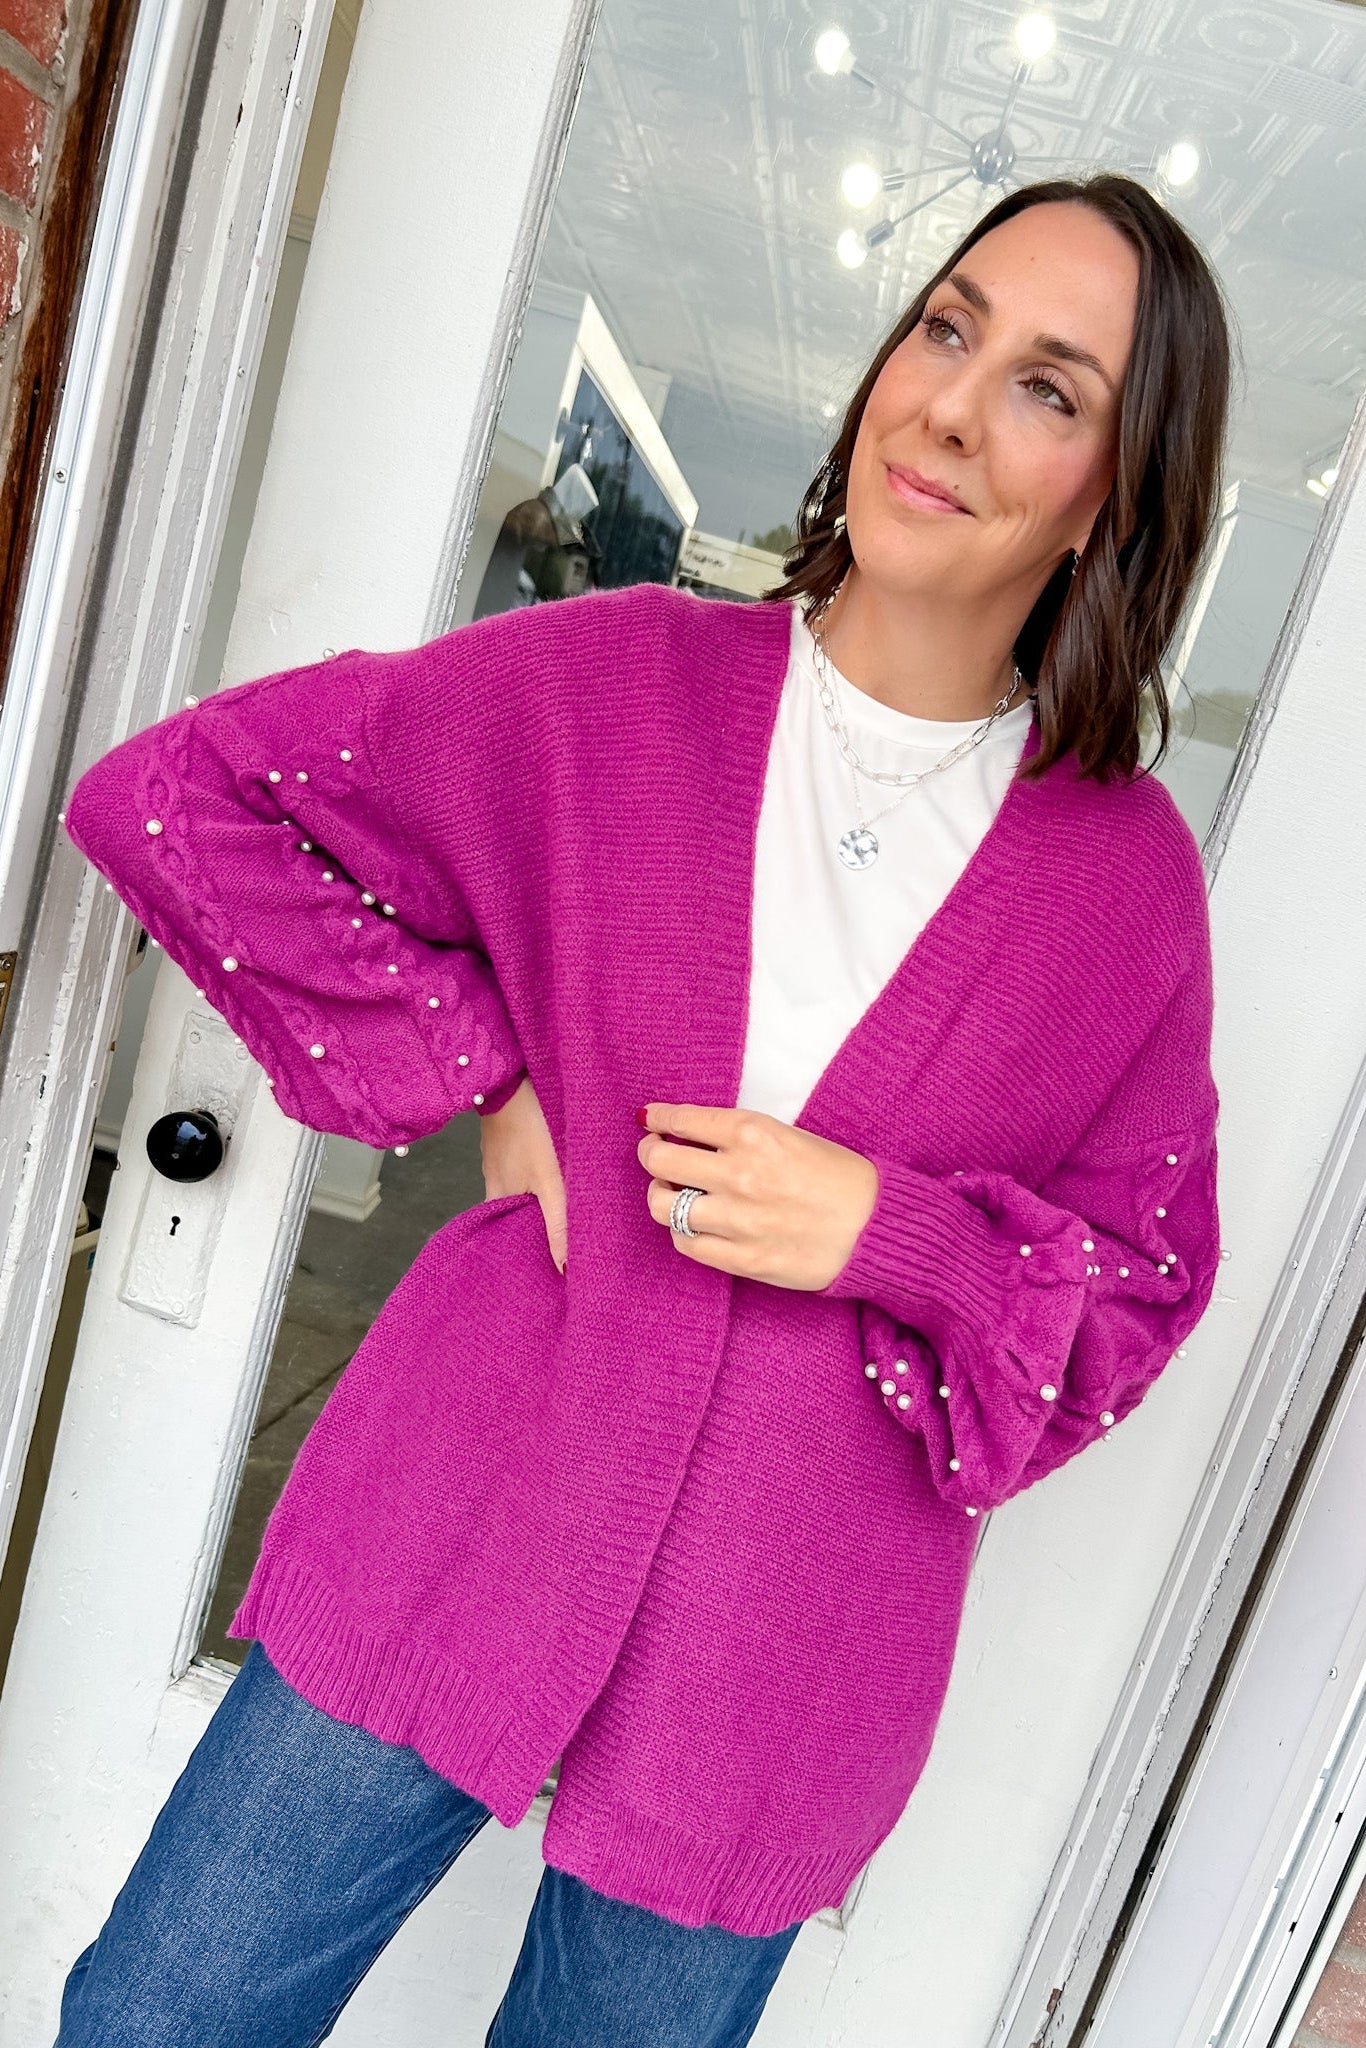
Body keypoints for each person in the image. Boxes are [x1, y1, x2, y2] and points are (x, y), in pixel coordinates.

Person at [53, 170, 1230, 2046]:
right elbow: (187, 798)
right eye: (945, 327)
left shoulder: (1120, 884)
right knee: (158, 2023)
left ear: (1114, 495)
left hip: (791, 1648)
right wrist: (490, 1074)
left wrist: (889, 1234)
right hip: (460, 1510)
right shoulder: (610, 686)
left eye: (1048, 386)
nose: (949, 403)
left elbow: (1135, 1291)